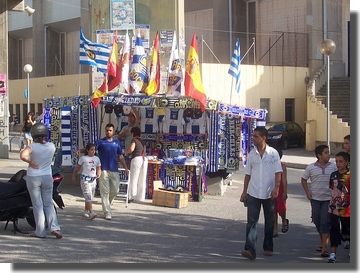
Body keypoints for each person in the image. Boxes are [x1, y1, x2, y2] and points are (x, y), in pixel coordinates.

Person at [239, 127, 283, 260]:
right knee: (251, 222)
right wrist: (244, 192)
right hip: (253, 193)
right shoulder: (252, 154)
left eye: (256, 136)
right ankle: (250, 249)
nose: (253, 138)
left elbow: (278, 172)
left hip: (269, 193)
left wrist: (276, 188)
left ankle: (268, 247)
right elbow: (247, 175)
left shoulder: (273, 154)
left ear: (263, 138)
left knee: (269, 221)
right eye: (253, 136)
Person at [19, 122, 62, 239]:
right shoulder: (51, 146)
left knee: (37, 205)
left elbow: (23, 155)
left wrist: (30, 162)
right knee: (48, 203)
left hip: (33, 177)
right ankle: (55, 228)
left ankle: (40, 231)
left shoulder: (32, 146)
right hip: (47, 177)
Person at [77, 123, 128, 220]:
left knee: (115, 190)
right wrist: (81, 150)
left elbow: (120, 156)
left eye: (110, 130)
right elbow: (91, 148)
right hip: (103, 169)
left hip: (114, 169)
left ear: (113, 131)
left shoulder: (117, 143)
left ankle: (107, 204)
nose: (108, 132)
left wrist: (125, 167)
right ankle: (107, 212)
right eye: (107, 130)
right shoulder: (101, 142)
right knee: (105, 192)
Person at [301, 144, 337, 258]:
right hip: (315, 199)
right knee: (317, 220)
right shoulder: (311, 167)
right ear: (319, 155)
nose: (328, 155)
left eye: (328, 152)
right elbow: (303, 179)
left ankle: (325, 249)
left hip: (328, 199)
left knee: (325, 222)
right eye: (326, 153)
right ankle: (322, 242)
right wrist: (307, 192)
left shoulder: (333, 167)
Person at [327, 151, 350, 263]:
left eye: (341, 161)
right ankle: (333, 253)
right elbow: (332, 189)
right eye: (336, 161)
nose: (338, 164)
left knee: (349, 230)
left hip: (347, 208)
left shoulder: (350, 175)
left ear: (346, 162)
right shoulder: (333, 175)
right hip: (334, 207)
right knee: (334, 229)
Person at [72, 143, 101, 220]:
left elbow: (98, 168)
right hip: (85, 180)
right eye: (91, 150)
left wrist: (99, 174)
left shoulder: (97, 159)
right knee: (87, 195)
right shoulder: (83, 158)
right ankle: (91, 212)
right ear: (87, 150)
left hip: (93, 180)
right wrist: (74, 175)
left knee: (90, 196)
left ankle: (86, 210)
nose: (93, 151)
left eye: (94, 150)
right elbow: (77, 168)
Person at [124, 126, 148, 202]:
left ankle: (132, 196)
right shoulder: (142, 141)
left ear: (132, 133)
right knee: (142, 179)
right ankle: (140, 197)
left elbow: (131, 149)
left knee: (133, 179)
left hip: (136, 159)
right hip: (144, 159)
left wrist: (125, 151)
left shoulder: (134, 140)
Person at [273, 148, 289, 237]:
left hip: (280, 190)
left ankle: (284, 221)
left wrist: (285, 192)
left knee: (281, 208)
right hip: (271, 189)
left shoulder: (282, 166)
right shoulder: (269, 165)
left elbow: (284, 180)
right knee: (273, 210)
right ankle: (275, 229)